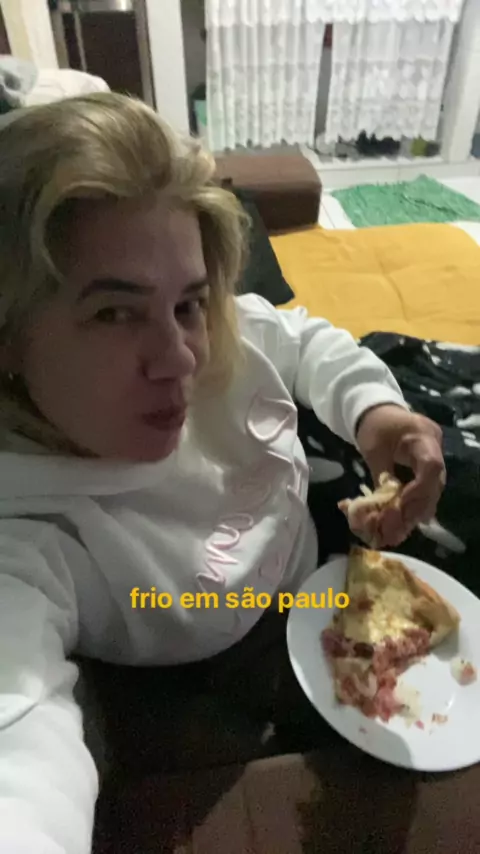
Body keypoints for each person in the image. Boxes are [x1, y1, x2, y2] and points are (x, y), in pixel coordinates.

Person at [0, 92, 445, 854]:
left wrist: (375, 412)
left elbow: (295, 337)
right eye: (113, 313)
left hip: (324, 540)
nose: (180, 360)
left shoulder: (212, 334)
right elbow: (22, 758)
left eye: (188, 303)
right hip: (235, 661)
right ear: (9, 336)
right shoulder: (27, 540)